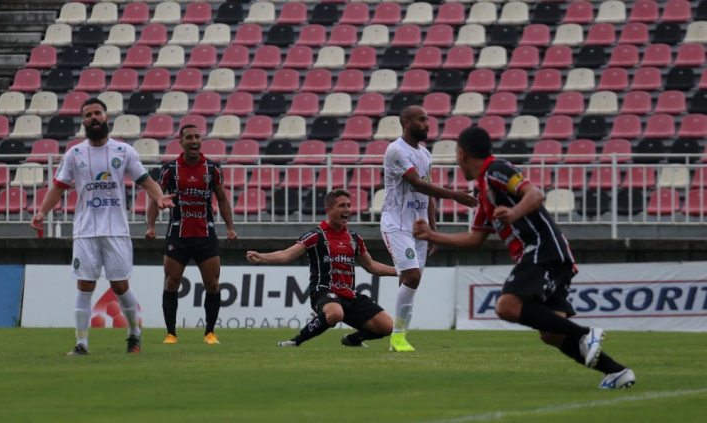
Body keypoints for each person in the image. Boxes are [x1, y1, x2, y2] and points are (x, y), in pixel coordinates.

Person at [413, 126, 635, 389]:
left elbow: (536, 194)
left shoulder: (496, 169)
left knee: (506, 306)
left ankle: (586, 333)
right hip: (548, 253)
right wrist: (431, 236)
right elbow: (475, 240)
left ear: (461, 154)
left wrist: (514, 212)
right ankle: (616, 372)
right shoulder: (485, 190)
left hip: (541, 248)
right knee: (552, 333)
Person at [30, 98, 175, 355]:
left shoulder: (123, 151)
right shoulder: (74, 153)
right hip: (85, 231)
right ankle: (81, 343)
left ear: (106, 118)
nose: (94, 117)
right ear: (83, 121)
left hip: (116, 230)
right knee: (85, 285)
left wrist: (159, 196)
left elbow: (144, 179)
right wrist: (42, 211)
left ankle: (134, 333)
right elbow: (58, 187)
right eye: (89, 115)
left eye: (98, 113)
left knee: (120, 286)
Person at [246, 189, 398, 348]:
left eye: (348, 205)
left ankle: (353, 340)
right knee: (335, 313)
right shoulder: (316, 235)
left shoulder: (354, 238)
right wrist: (261, 257)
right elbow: (287, 255)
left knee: (387, 327)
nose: (347, 210)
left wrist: (400, 272)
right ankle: (294, 342)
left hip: (349, 295)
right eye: (341, 206)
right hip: (324, 290)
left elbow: (371, 266)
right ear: (329, 210)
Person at [381, 105, 478, 352]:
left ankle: (395, 338)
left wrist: (433, 231)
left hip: (419, 228)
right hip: (397, 225)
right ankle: (398, 336)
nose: (427, 124)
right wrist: (455, 195)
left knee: (410, 280)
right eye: (422, 119)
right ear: (406, 122)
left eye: (428, 119)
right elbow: (416, 183)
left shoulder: (425, 153)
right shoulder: (395, 151)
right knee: (412, 276)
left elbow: (428, 193)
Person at [145, 124, 237, 345]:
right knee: (171, 282)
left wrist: (230, 227)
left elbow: (222, 200)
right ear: (181, 142)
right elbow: (155, 199)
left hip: (206, 234)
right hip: (178, 234)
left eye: (197, 137)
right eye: (189, 137)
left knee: (213, 284)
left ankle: (210, 333)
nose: (194, 141)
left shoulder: (213, 169)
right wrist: (151, 226)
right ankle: (171, 334)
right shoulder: (169, 169)